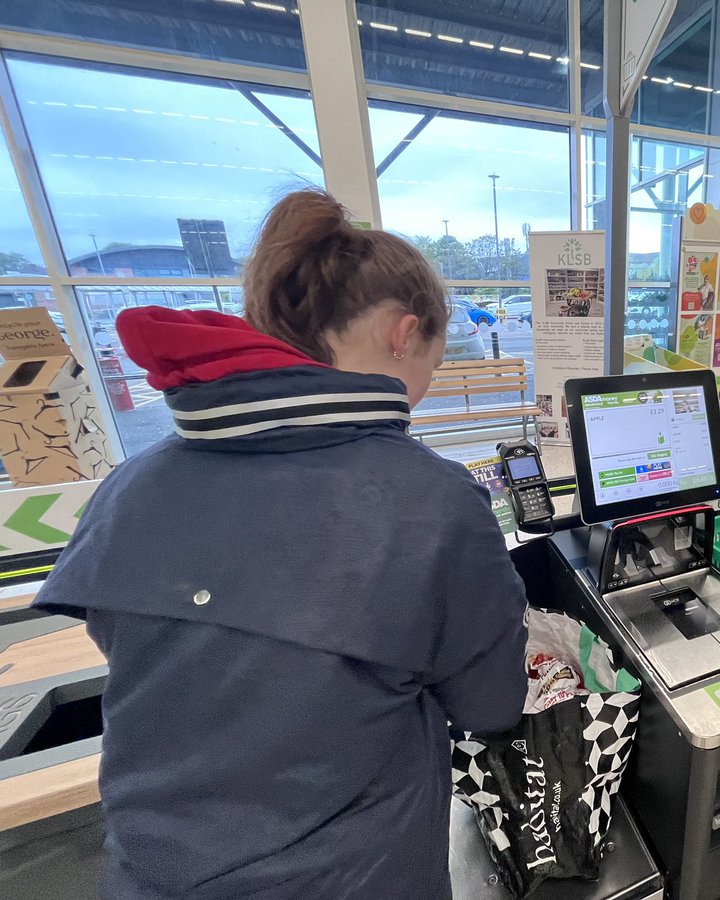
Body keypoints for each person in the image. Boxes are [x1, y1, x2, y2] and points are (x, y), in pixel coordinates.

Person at [33, 190, 529, 899]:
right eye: (434, 357)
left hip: (147, 878)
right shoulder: (435, 502)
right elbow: (490, 706)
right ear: (403, 333)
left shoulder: (132, 486)